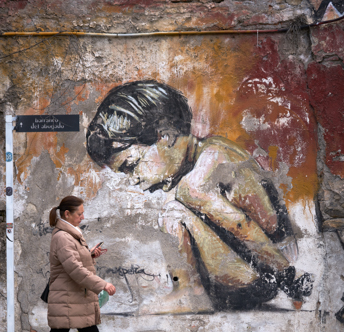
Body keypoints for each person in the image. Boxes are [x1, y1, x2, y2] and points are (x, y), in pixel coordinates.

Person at [86, 80, 313, 313]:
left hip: (267, 266)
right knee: (172, 213)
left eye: (132, 165)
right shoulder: (203, 158)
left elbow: (243, 226)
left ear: (165, 136)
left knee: (180, 204)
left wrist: (286, 273)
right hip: (254, 271)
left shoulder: (209, 162)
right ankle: (189, 293)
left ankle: (191, 295)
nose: (133, 179)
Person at [11, 196, 121, 332]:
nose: (83, 216)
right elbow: (74, 270)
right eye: (79, 213)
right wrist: (102, 284)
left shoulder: (70, 235)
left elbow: (74, 261)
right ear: (67, 214)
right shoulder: (62, 236)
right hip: (68, 299)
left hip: (76, 298)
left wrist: (90, 255)